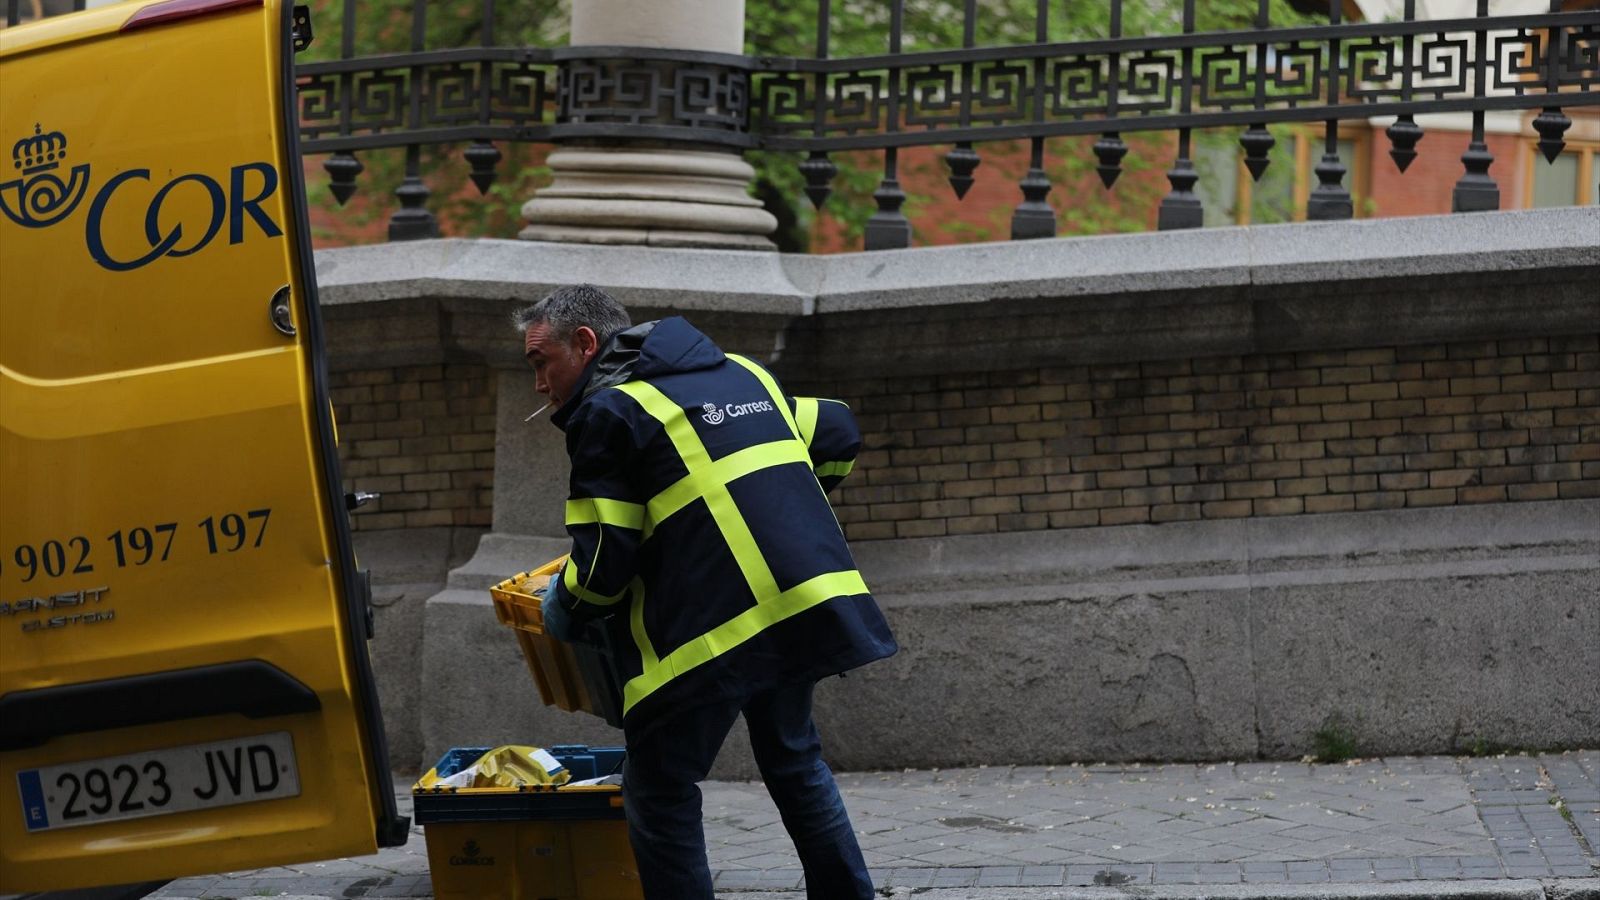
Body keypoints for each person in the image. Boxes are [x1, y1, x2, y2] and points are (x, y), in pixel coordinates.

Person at [514, 283, 897, 900]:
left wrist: (564, 608)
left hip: (712, 631)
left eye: (541, 361)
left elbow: (607, 559)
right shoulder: (740, 373)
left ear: (585, 345)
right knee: (795, 762)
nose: (538, 383)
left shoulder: (609, 413)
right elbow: (836, 428)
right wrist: (796, 508)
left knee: (660, 789)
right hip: (799, 604)